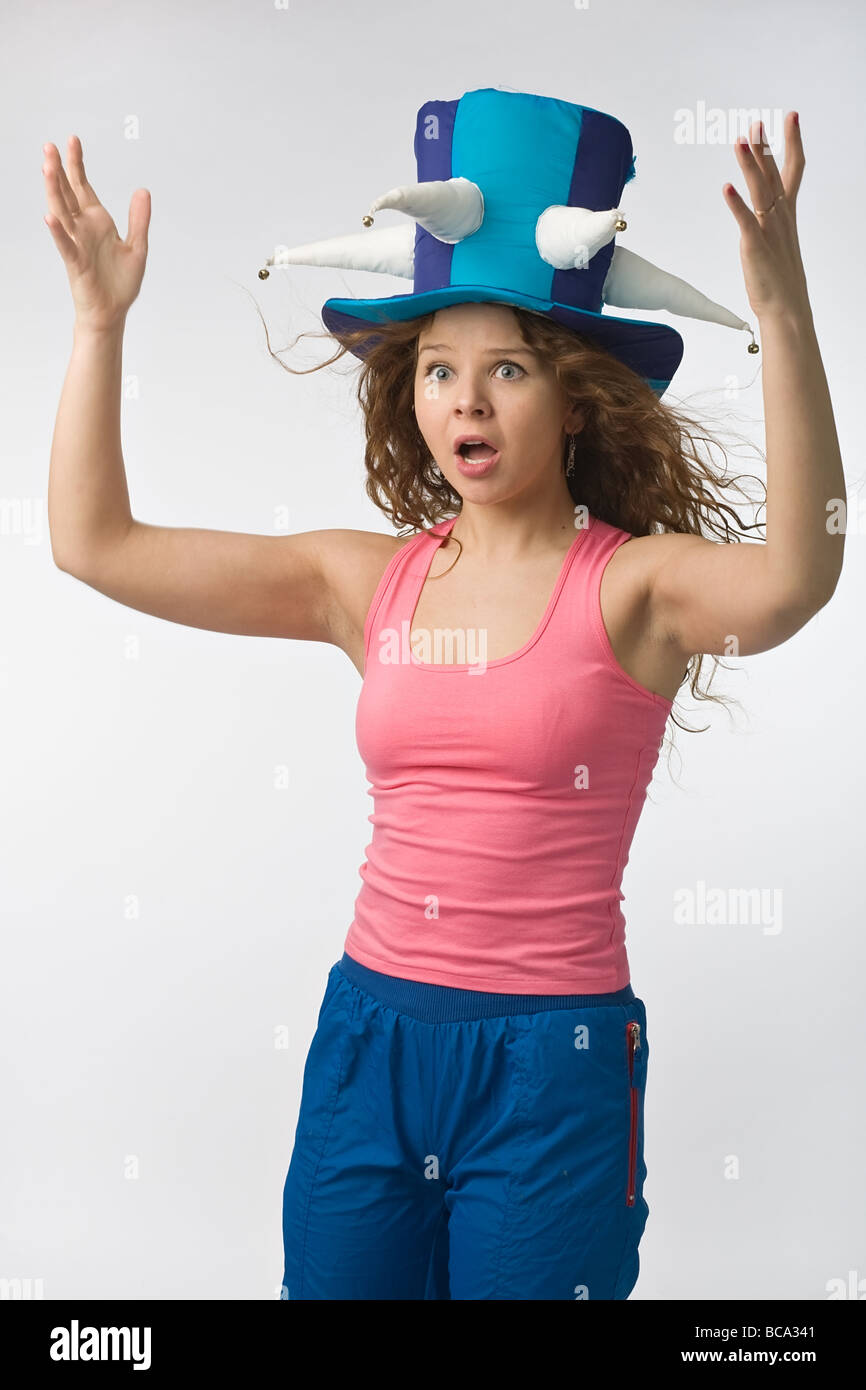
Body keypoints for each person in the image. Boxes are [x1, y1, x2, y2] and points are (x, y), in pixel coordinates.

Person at [43, 89, 843, 1300]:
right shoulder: (362, 580)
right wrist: (99, 325)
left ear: (572, 397)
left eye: (506, 368)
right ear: (408, 394)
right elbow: (92, 542)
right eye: (437, 368)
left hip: (552, 1061)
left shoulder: (631, 588)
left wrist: (781, 315)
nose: (463, 401)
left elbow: (797, 576)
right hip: (369, 1041)